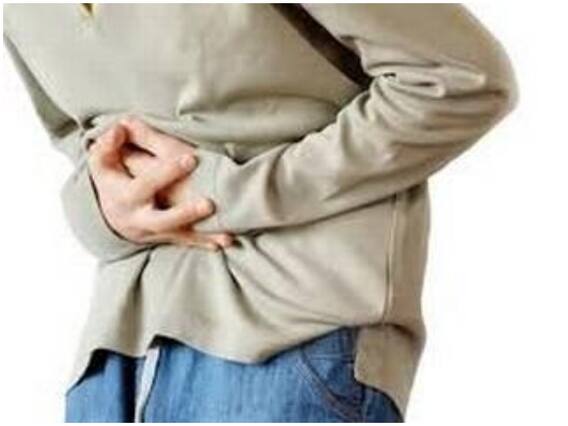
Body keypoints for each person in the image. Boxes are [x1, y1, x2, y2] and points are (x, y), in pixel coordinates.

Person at [3, 4, 517, 422]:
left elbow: (460, 78)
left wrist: (230, 194)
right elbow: (79, 135)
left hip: (291, 330)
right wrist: (101, 208)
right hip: (115, 355)